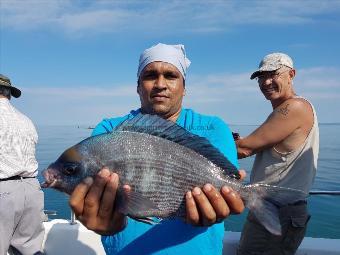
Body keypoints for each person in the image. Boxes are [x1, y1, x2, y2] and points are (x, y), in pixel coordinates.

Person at [69, 43, 245, 255]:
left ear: (184, 87)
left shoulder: (212, 128)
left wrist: (229, 200)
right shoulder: (109, 130)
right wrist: (97, 217)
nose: (160, 84)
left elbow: (227, 190)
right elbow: (96, 199)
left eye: (170, 75)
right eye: (150, 75)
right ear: (137, 86)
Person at [236, 53, 319, 255]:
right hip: (268, 209)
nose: (266, 82)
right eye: (261, 77)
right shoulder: (283, 110)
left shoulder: (294, 107)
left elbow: (244, 149)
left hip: (280, 212)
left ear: (291, 74)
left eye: (273, 74)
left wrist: (210, 140)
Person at [0, 74, 45, 255]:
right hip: (31, 189)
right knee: (29, 250)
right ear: (9, 94)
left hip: (3, 190)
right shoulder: (26, 120)